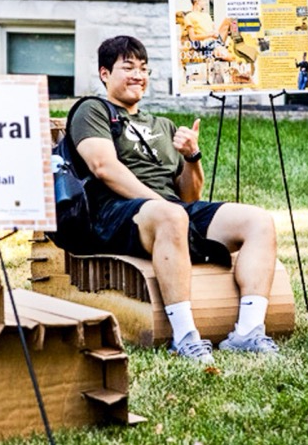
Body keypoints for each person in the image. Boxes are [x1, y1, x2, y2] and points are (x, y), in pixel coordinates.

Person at [69, 35, 282, 363]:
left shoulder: (163, 125)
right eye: (128, 67)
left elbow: (189, 195)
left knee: (259, 221)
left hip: (169, 211)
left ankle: (248, 332)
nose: (138, 75)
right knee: (172, 216)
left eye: (143, 68)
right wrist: (163, 205)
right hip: (113, 212)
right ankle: (184, 337)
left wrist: (192, 156)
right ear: (104, 73)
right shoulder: (92, 110)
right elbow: (103, 167)